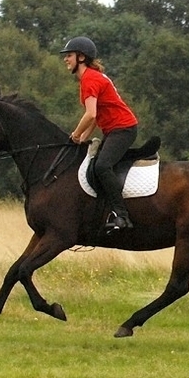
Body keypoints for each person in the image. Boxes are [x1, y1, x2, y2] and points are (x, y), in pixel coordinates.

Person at [61, 36, 138, 232]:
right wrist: (83, 137)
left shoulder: (90, 80)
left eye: (69, 55)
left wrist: (76, 133)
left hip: (123, 129)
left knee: (102, 166)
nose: (65, 59)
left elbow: (90, 114)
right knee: (96, 164)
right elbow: (96, 117)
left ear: (81, 57)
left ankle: (122, 215)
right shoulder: (90, 78)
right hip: (114, 130)